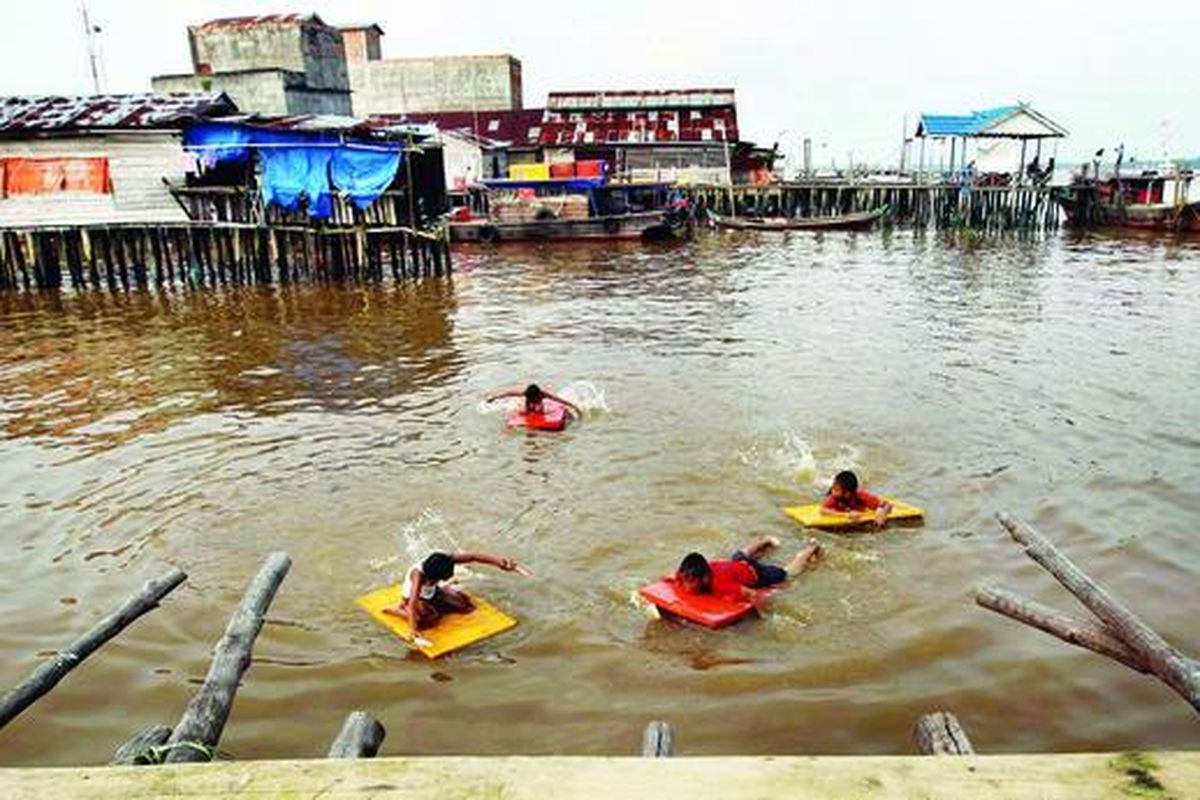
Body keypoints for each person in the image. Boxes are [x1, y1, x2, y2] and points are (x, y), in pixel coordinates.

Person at [385, 550, 525, 630]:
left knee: (465, 604)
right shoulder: (418, 576)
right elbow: (413, 602)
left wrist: (501, 563)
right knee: (428, 621)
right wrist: (413, 630)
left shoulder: (445, 560)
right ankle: (397, 610)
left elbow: (474, 556)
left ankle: (442, 594)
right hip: (412, 599)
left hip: (432, 592)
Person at [674, 536, 822, 601]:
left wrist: (763, 614)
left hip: (756, 573)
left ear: (705, 579)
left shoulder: (720, 585)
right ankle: (765, 540)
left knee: (789, 572)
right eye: (684, 580)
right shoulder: (684, 573)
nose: (685, 586)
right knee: (740, 554)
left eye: (690, 582)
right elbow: (669, 579)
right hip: (734, 565)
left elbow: (751, 593)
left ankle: (811, 548)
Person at [822, 470, 893, 528]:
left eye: (836, 490)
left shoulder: (860, 496)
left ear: (848, 493)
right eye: (833, 487)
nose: (832, 491)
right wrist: (846, 515)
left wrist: (882, 513)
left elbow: (887, 504)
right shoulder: (833, 497)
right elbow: (824, 510)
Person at [487, 383, 582, 418]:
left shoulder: (544, 394)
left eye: (534, 398)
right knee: (529, 410)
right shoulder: (525, 393)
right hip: (528, 405)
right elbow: (508, 393)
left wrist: (575, 407)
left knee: (540, 411)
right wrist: (494, 397)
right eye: (531, 398)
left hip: (541, 405)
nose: (533, 399)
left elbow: (560, 400)